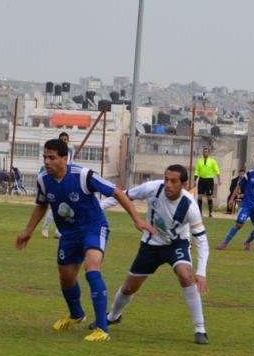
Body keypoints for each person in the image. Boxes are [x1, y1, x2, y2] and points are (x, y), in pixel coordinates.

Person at [15, 139, 156, 342]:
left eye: (52, 157)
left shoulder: (82, 175)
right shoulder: (43, 179)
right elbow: (41, 204)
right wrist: (28, 231)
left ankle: (102, 328)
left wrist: (136, 219)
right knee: (66, 279)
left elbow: (116, 192)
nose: (47, 161)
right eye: (45, 157)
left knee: (92, 268)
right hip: (69, 234)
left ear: (64, 158)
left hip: (93, 227)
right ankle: (76, 315)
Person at [99, 165, 210, 345]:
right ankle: (112, 316)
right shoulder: (152, 188)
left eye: (173, 181)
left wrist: (201, 272)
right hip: (150, 244)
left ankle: (200, 329)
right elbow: (121, 195)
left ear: (184, 184)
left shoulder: (190, 206)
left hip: (176, 244)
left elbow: (202, 241)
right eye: (166, 179)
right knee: (129, 288)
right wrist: (98, 208)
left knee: (185, 275)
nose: (168, 184)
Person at [218, 154, 254, 251]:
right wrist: (232, 199)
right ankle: (224, 243)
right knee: (239, 224)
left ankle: (248, 242)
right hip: (247, 205)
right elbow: (238, 186)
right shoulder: (249, 174)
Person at [42, 132, 73, 238]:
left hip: (66, 181)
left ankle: (58, 231)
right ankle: (45, 229)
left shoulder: (70, 151)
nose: (64, 141)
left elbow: (70, 165)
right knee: (53, 207)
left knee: (64, 208)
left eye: (66, 139)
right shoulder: (54, 153)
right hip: (55, 180)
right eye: (62, 139)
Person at [194, 146, 221, 218]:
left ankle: (210, 212)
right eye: (204, 152)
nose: (205, 153)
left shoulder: (213, 161)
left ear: (209, 153)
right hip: (201, 180)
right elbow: (197, 171)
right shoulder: (199, 161)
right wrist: (195, 179)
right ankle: (200, 212)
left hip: (209, 180)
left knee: (209, 197)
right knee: (199, 196)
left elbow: (217, 170)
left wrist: (219, 179)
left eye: (206, 152)